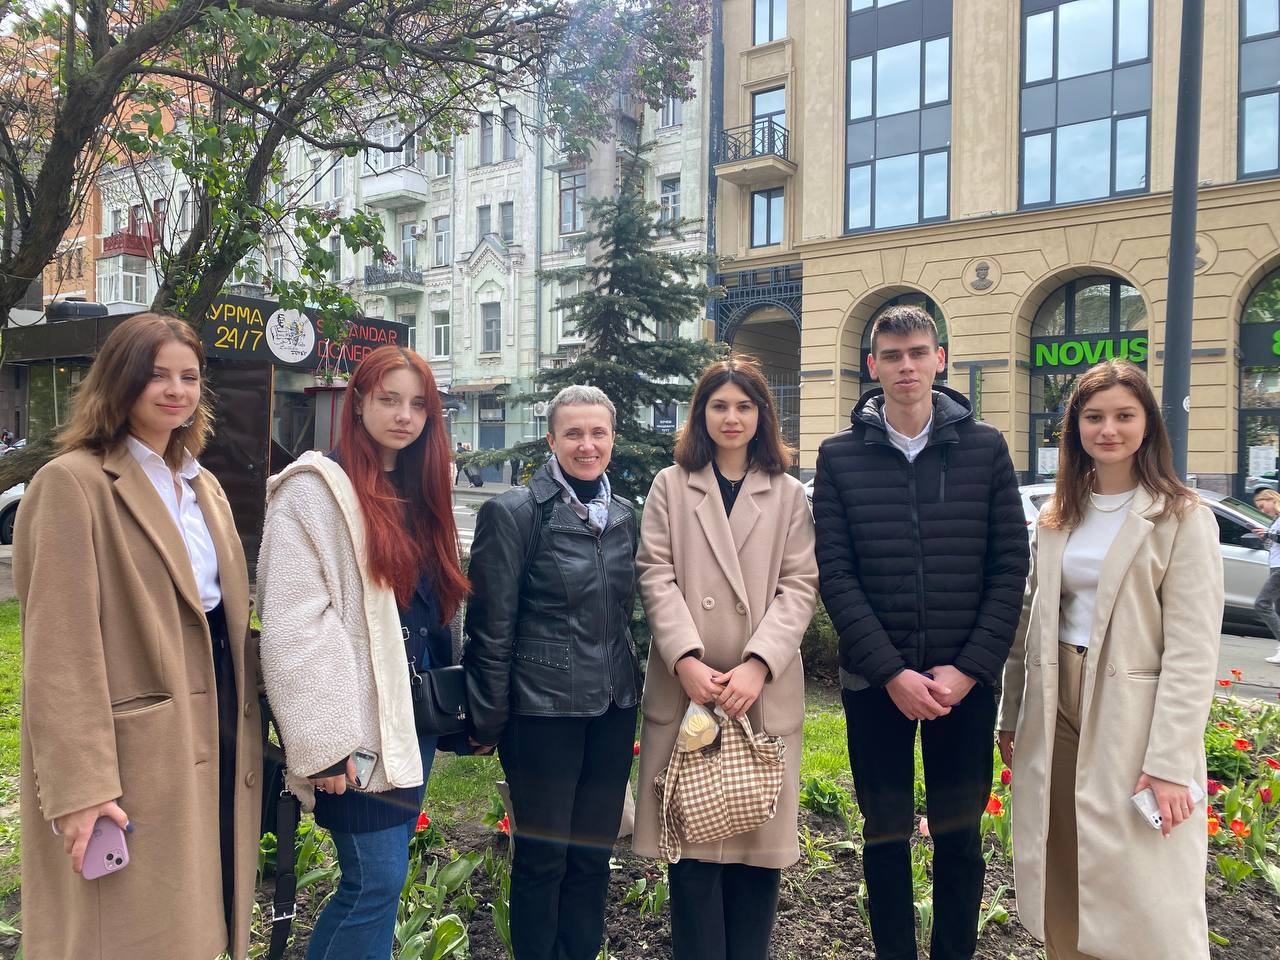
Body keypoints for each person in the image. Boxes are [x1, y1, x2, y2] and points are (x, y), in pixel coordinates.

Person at [14, 313, 261, 959]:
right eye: (157, 375)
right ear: (119, 381)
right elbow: (59, 654)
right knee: (128, 931)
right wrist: (81, 788)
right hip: (134, 751)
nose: (176, 391)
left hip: (215, 721)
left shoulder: (203, 485)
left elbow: (224, 615)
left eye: (190, 377)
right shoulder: (72, 483)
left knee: (199, 913)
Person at [812, 304, 1028, 960]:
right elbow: (836, 574)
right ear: (872, 366)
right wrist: (890, 673)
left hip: (964, 683)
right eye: (892, 355)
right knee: (884, 833)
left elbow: (1009, 567)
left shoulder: (986, 449)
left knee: (960, 838)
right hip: (875, 682)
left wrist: (970, 670)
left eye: (917, 353)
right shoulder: (839, 457)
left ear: (940, 359)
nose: (905, 366)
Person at [998, 360, 1223, 960]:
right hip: (1055, 703)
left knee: (1136, 877)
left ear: (1148, 424)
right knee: (1062, 853)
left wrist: (1170, 761)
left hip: (1132, 711)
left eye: (1125, 415)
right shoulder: (1057, 514)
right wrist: (1010, 714)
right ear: (1075, 427)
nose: (1108, 429)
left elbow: (1193, 651)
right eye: (1094, 417)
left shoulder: (1182, 516)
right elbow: (1030, 619)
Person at [258, 345, 469, 958]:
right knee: (374, 880)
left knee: (379, 882)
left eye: (418, 405)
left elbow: (434, 612)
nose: (404, 416)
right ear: (357, 405)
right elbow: (294, 625)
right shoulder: (314, 492)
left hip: (411, 717)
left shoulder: (421, 490)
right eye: (389, 400)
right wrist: (323, 742)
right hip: (354, 724)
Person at [633, 356, 818, 960]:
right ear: (701, 414)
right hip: (690, 691)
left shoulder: (788, 494)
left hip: (758, 696)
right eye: (719, 406)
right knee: (691, 858)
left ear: (763, 415)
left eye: (744, 406)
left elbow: (799, 585)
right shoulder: (670, 485)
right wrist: (685, 659)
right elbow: (655, 573)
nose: (731, 418)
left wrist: (758, 664)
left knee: (756, 859)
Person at [464, 384, 641, 960]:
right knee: (544, 858)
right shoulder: (516, 513)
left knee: (593, 855)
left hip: (612, 708)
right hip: (541, 712)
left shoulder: (623, 515)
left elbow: (625, 614)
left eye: (598, 433)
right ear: (551, 440)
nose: (587, 445)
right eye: (574, 433)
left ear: (613, 438)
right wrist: (488, 718)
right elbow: (490, 626)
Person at [1249, 488, 1280, 664]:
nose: (1262, 510)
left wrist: (1268, 534)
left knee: (1262, 604)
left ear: (1271, 500)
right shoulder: (1276, 520)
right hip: (1275, 565)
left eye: (1262, 506)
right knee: (1277, 609)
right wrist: (1265, 537)